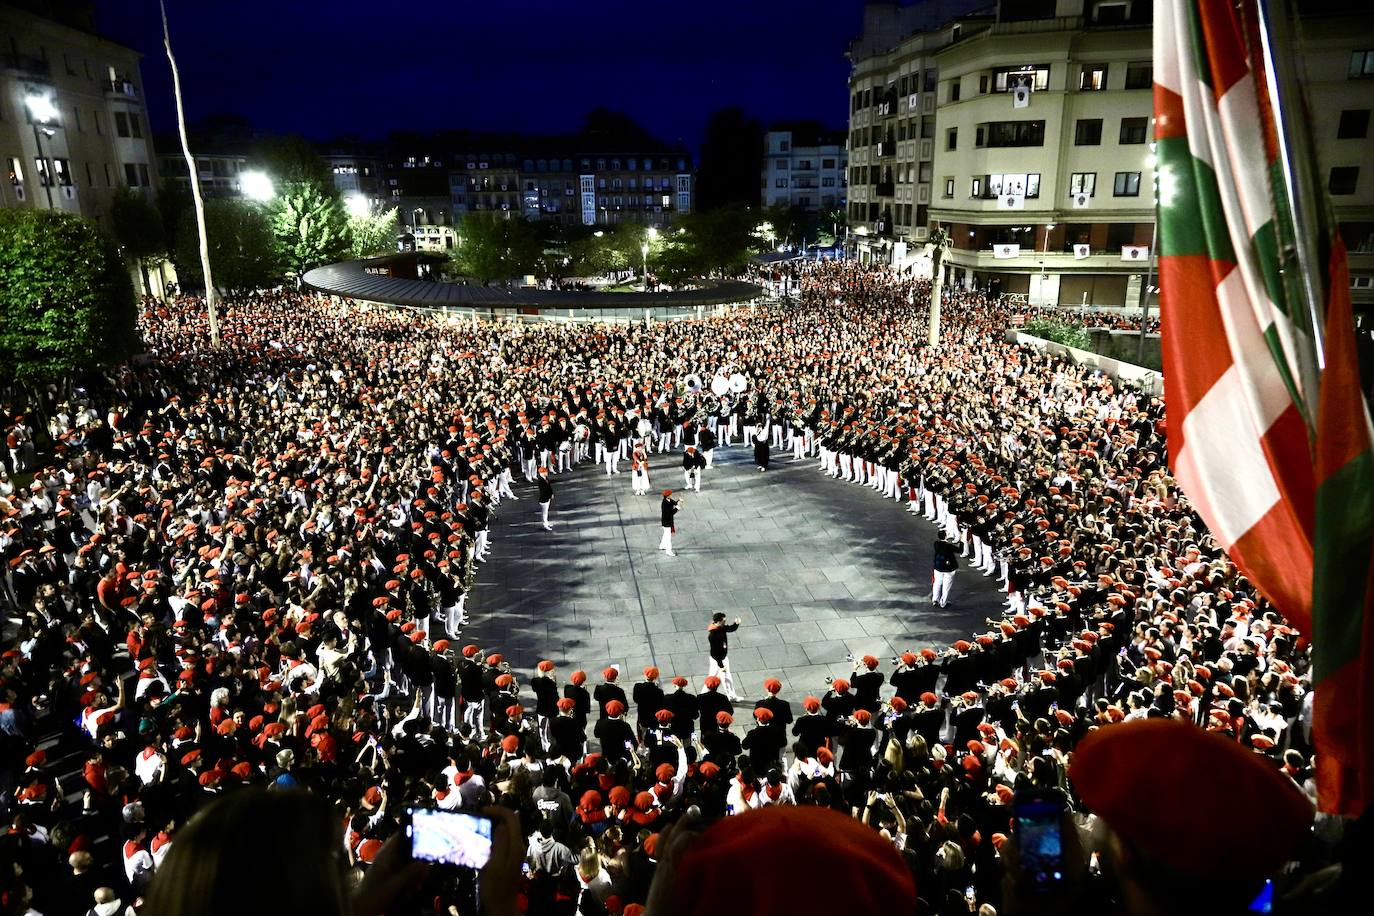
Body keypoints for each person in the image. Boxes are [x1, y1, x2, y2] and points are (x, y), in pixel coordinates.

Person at [707, 612, 741, 702]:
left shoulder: (721, 627)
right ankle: (704, 695)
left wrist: (736, 623)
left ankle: (731, 696)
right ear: (718, 621)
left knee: (725, 678)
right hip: (717, 660)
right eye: (724, 620)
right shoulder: (713, 635)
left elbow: (730, 628)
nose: (725, 622)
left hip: (723, 658)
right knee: (715, 678)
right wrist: (721, 666)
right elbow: (714, 652)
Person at [932, 535, 958, 608]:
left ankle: (935, 600)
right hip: (948, 569)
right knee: (946, 586)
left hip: (938, 567)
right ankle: (943, 603)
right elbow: (960, 550)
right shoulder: (949, 546)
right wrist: (962, 541)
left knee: (937, 583)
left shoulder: (936, 543)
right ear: (946, 536)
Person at [659, 489, 680, 557]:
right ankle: (668, 551)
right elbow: (671, 513)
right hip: (667, 522)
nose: (671, 495)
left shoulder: (669, 500)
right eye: (670, 494)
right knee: (668, 537)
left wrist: (679, 501)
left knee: (665, 534)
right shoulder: (665, 504)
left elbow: (674, 503)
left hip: (667, 521)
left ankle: (662, 545)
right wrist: (677, 508)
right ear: (668, 495)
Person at [536, 466, 553, 530]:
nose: (547, 473)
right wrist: (549, 495)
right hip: (544, 499)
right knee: (544, 512)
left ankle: (546, 522)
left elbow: (549, 487)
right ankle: (545, 524)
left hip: (547, 498)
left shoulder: (545, 478)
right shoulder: (541, 481)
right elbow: (544, 490)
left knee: (546, 511)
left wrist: (551, 494)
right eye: (545, 472)